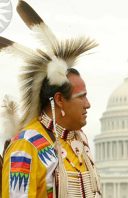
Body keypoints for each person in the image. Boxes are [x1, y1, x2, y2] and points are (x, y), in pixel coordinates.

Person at [1, 1, 101, 197]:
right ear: (59, 100)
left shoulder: (80, 141)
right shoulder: (25, 147)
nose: (88, 104)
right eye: (81, 97)